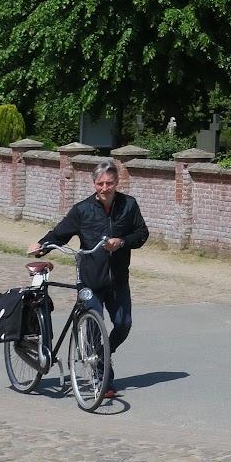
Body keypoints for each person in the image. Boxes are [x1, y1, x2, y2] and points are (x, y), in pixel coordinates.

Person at [28, 159, 149, 400]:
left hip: (118, 279)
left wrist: (122, 241)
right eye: (101, 183)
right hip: (90, 280)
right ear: (94, 184)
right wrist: (41, 247)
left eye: (110, 183)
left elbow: (141, 233)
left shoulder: (129, 205)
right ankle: (103, 378)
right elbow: (59, 233)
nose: (105, 188)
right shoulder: (82, 210)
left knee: (123, 324)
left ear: (117, 182)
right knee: (94, 327)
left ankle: (103, 352)